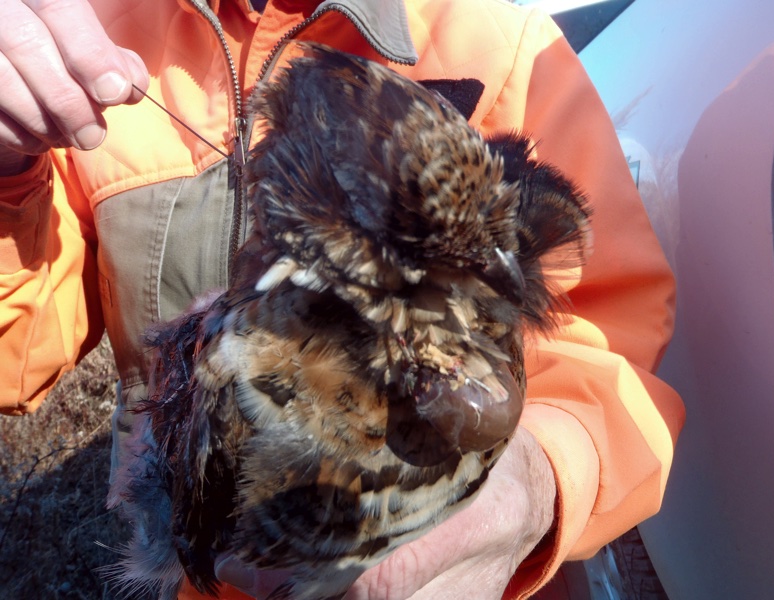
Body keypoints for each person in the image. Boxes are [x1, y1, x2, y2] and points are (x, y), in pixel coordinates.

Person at [0, 0, 685, 598]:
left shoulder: (506, 49)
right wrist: (7, 173)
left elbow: (610, 346)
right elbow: (14, 356)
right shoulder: (74, 41)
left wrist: (535, 484)